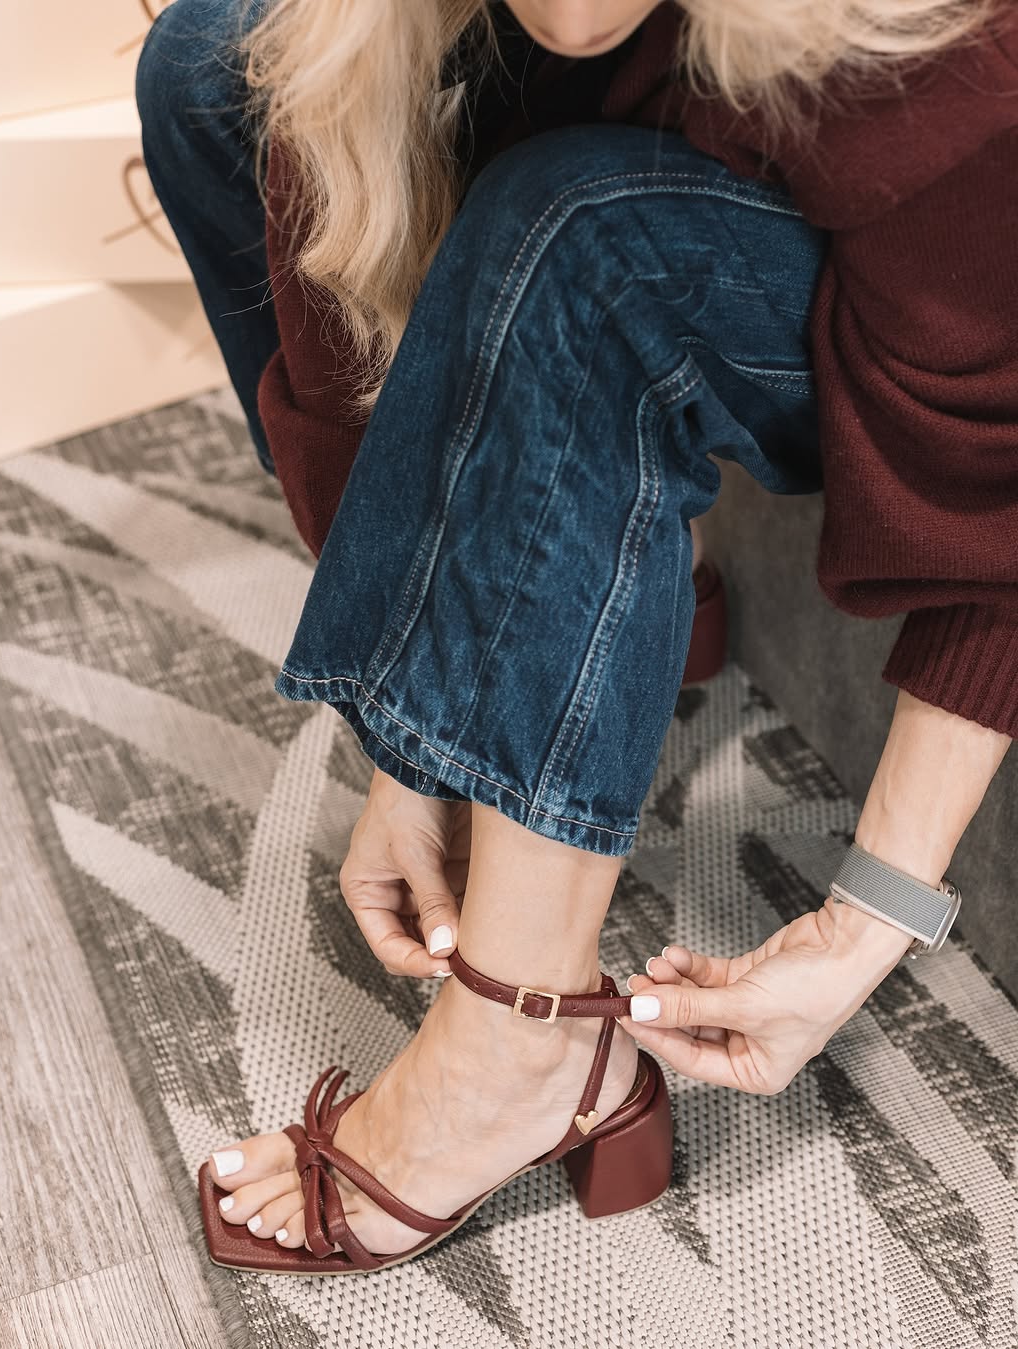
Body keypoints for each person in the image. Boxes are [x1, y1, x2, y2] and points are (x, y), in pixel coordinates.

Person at [136, 0, 1016, 1275]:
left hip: (895, 227)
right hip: (696, 133)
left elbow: (997, 492)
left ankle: (522, 1050)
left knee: (581, 233)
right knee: (212, 72)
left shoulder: (933, 46)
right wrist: (412, 737)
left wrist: (864, 921)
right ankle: (621, 581)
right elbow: (347, 306)